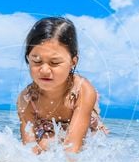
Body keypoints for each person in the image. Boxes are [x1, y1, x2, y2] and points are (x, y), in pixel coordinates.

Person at [17, 16, 107, 153]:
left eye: (54, 63)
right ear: (28, 59)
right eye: (36, 61)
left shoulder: (82, 91)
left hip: (86, 137)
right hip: (47, 136)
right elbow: (28, 150)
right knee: (45, 143)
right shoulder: (27, 99)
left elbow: (73, 148)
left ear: (73, 61)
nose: (45, 70)